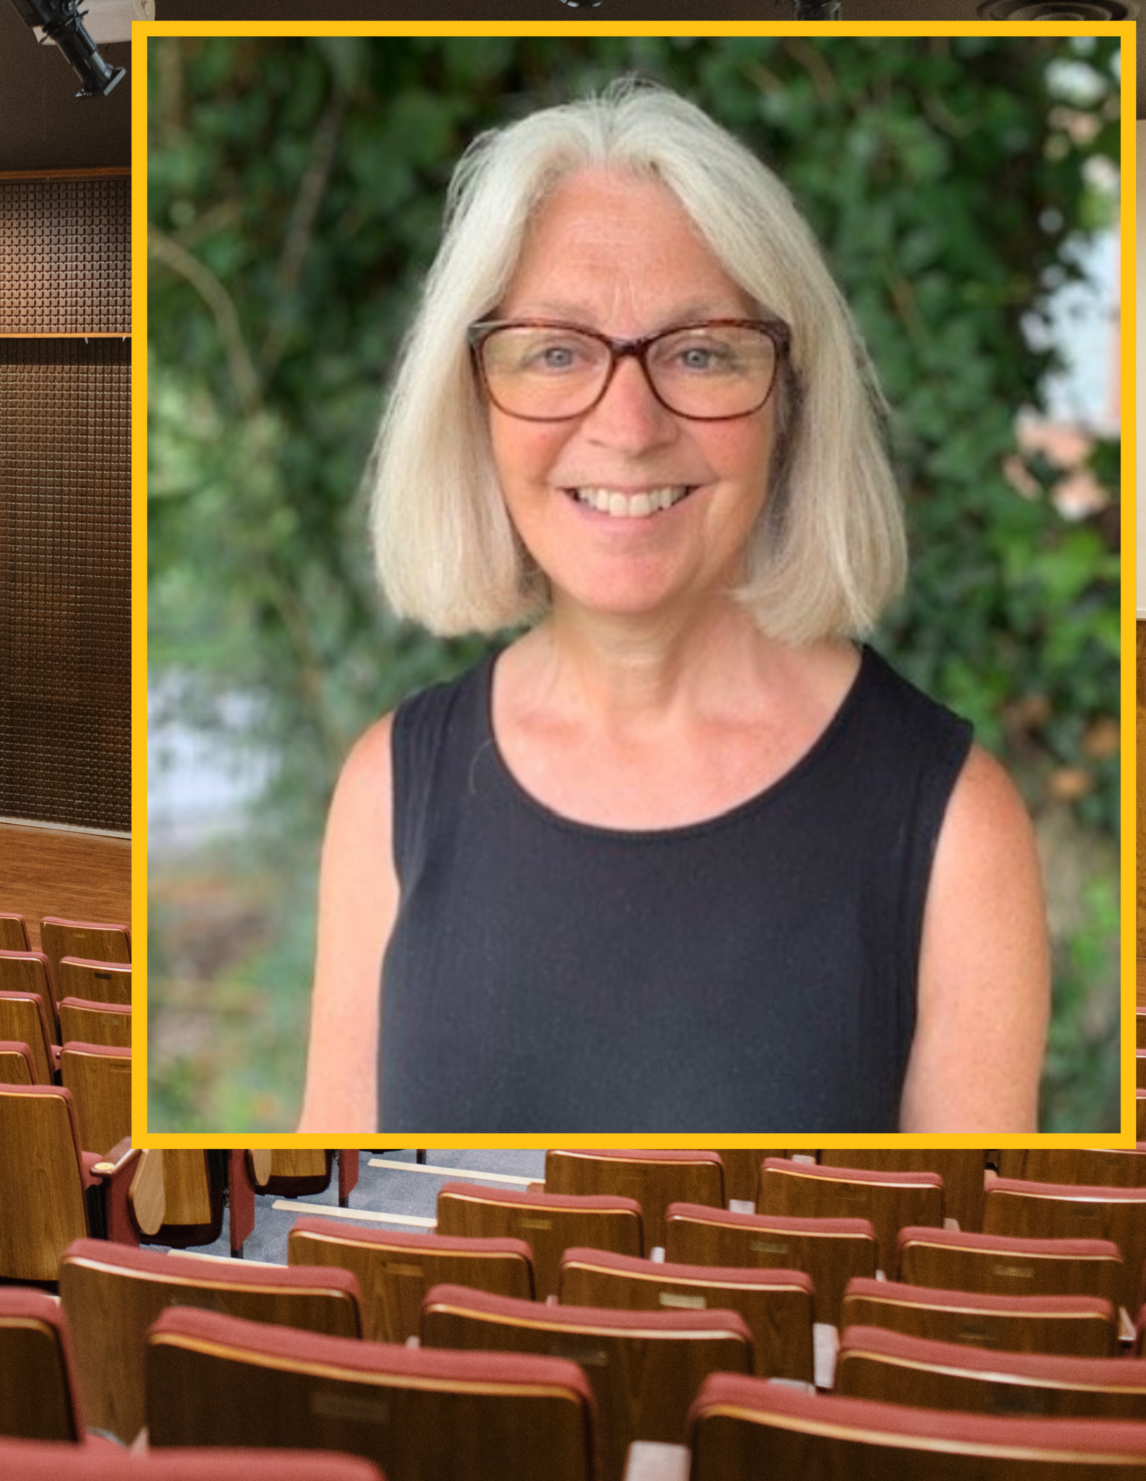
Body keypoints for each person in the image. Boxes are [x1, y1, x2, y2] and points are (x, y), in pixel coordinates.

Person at [298, 80, 1048, 1134]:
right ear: (469, 404)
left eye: (699, 352)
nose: (630, 424)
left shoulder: (955, 828)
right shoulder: (388, 786)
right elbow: (347, 1220)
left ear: (789, 403)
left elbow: (950, 1283)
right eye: (554, 351)